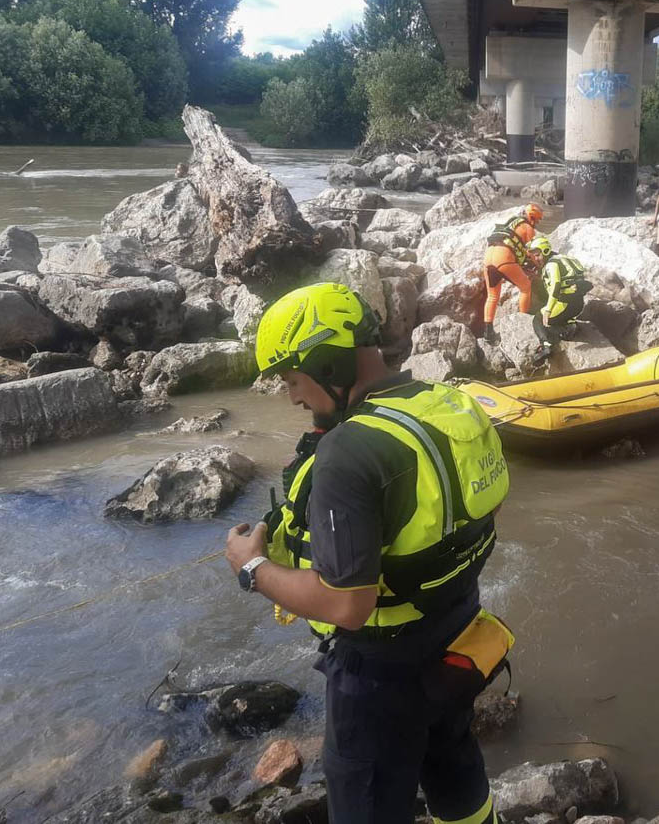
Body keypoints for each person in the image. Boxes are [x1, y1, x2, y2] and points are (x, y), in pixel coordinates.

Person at [225, 282, 513, 824]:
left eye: (292, 379)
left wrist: (251, 568)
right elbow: (478, 509)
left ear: (327, 362)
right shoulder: (449, 403)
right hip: (455, 629)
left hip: (378, 672)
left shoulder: (348, 452)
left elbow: (346, 605)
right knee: (451, 761)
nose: (291, 397)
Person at [483, 203, 544, 343]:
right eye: (538, 220)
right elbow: (532, 253)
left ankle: (488, 332)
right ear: (533, 218)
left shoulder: (511, 222)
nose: (538, 223)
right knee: (526, 287)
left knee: (492, 296)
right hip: (504, 259)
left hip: (488, 259)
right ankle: (522, 321)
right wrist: (538, 265)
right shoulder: (529, 229)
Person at [528, 236, 591, 363]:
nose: (536, 259)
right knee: (556, 315)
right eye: (534, 256)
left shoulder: (551, 265)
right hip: (578, 304)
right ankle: (569, 325)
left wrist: (548, 310)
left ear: (545, 251)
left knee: (538, 320)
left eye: (537, 255)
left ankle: (546, 346)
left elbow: (555, 286)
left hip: (565, 304)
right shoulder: (565, 258)